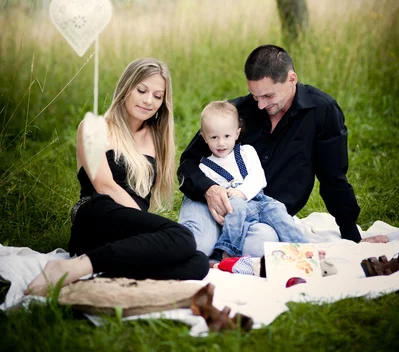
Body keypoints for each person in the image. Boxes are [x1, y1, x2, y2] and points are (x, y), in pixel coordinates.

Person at [178, 45, 388, 257]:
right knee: (196, 246)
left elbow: (333, 177)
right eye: (255, 96)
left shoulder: (322, 111)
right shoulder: (235, 113)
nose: (260, 105)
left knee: (261, 248)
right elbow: (187, 163)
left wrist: (352, 235)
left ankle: (222, 253)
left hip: (261, 215)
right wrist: (209, 190)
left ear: (291, 79)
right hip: (209, 201)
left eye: (268, 96)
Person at [26, 58, 209, 296]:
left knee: (198, 263)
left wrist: (145, 234)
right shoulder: (94, 127)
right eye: (141, 90)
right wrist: (146, 231)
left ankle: (101, 274)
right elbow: (105, 185)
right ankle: (71, 267)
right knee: (182, 236)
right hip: (97, 214)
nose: (148, 100)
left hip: (127, 228)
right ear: (125, 88)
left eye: (157, 95)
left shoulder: (156, 137)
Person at [199, 101, 308, 263]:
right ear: (204, 138)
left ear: (237, 134)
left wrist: (242, 192)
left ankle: (304, 249)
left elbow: (258, 178)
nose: (221, 143)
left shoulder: (246, 152)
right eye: (214, 137)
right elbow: (214, 195)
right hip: (233, 208)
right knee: (236, 208)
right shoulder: (205, 166)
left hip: (259, 201)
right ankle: (227, 251)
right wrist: (232, 196)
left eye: (227, 136)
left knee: (279, 211)